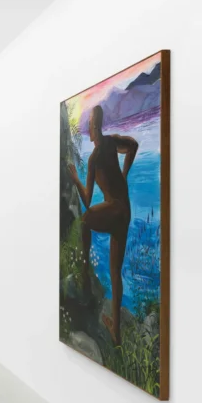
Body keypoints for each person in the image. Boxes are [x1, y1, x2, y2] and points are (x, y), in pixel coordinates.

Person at [67, 105, 138, 346]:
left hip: (113, 210)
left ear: (95, 126)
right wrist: (125, 174)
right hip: (125, 212)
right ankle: (116, 331)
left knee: (85, 221)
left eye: (89, 125)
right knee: (115, 272)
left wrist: (76, 179)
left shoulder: (95, 157)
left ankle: (85, 271)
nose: (88, 129)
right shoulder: (113, 141)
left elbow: (87, 201)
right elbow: (133, 146)